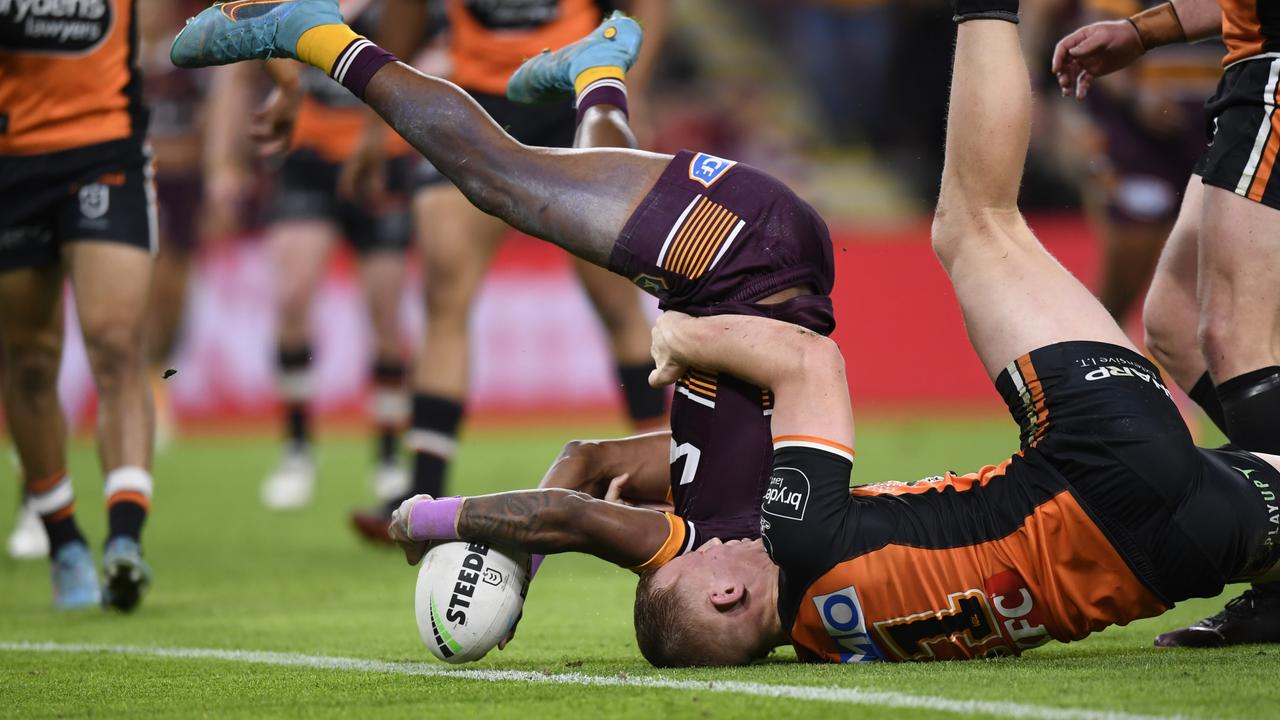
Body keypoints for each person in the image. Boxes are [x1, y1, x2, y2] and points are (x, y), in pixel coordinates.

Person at [171, 2, 835, 580]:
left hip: (744, 261)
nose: (654, 588)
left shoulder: (702, 530)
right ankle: (316, 33)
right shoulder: (746, 539)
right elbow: (572, 513)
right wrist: (436, 518)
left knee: (595, 224)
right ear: (725, 593)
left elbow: (582, 468)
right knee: (497, 186)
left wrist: (510, 576)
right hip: (751, 250)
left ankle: (597, 73)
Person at [345, 0, 671, 539]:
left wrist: (633, 85)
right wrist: (376, 124)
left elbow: (648, 7)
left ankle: (668, 486)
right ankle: (421, 497)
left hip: (574, 96)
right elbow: (403, 13)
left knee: (616, 299)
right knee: (445, 294)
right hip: (475, 105)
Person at [1053, 0, 1280, 646]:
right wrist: (1138, 32)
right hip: (1248, 78)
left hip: (1272, 76)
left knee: (1234, 335)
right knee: (1175, 320)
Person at [205, 1, 416, 511]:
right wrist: (224, 165)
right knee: (293, 298)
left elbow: (426, 67)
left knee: (386, 314)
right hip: (305, 156)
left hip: (383, 157)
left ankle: (389, 459)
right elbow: (238, 74)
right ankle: (297, 448)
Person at [1, 0, 157, 610]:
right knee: (31, 359)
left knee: (116, 341)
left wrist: (279, 64)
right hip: (12, 156)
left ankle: (125, 541)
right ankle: (63, 539)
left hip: (105, 144)